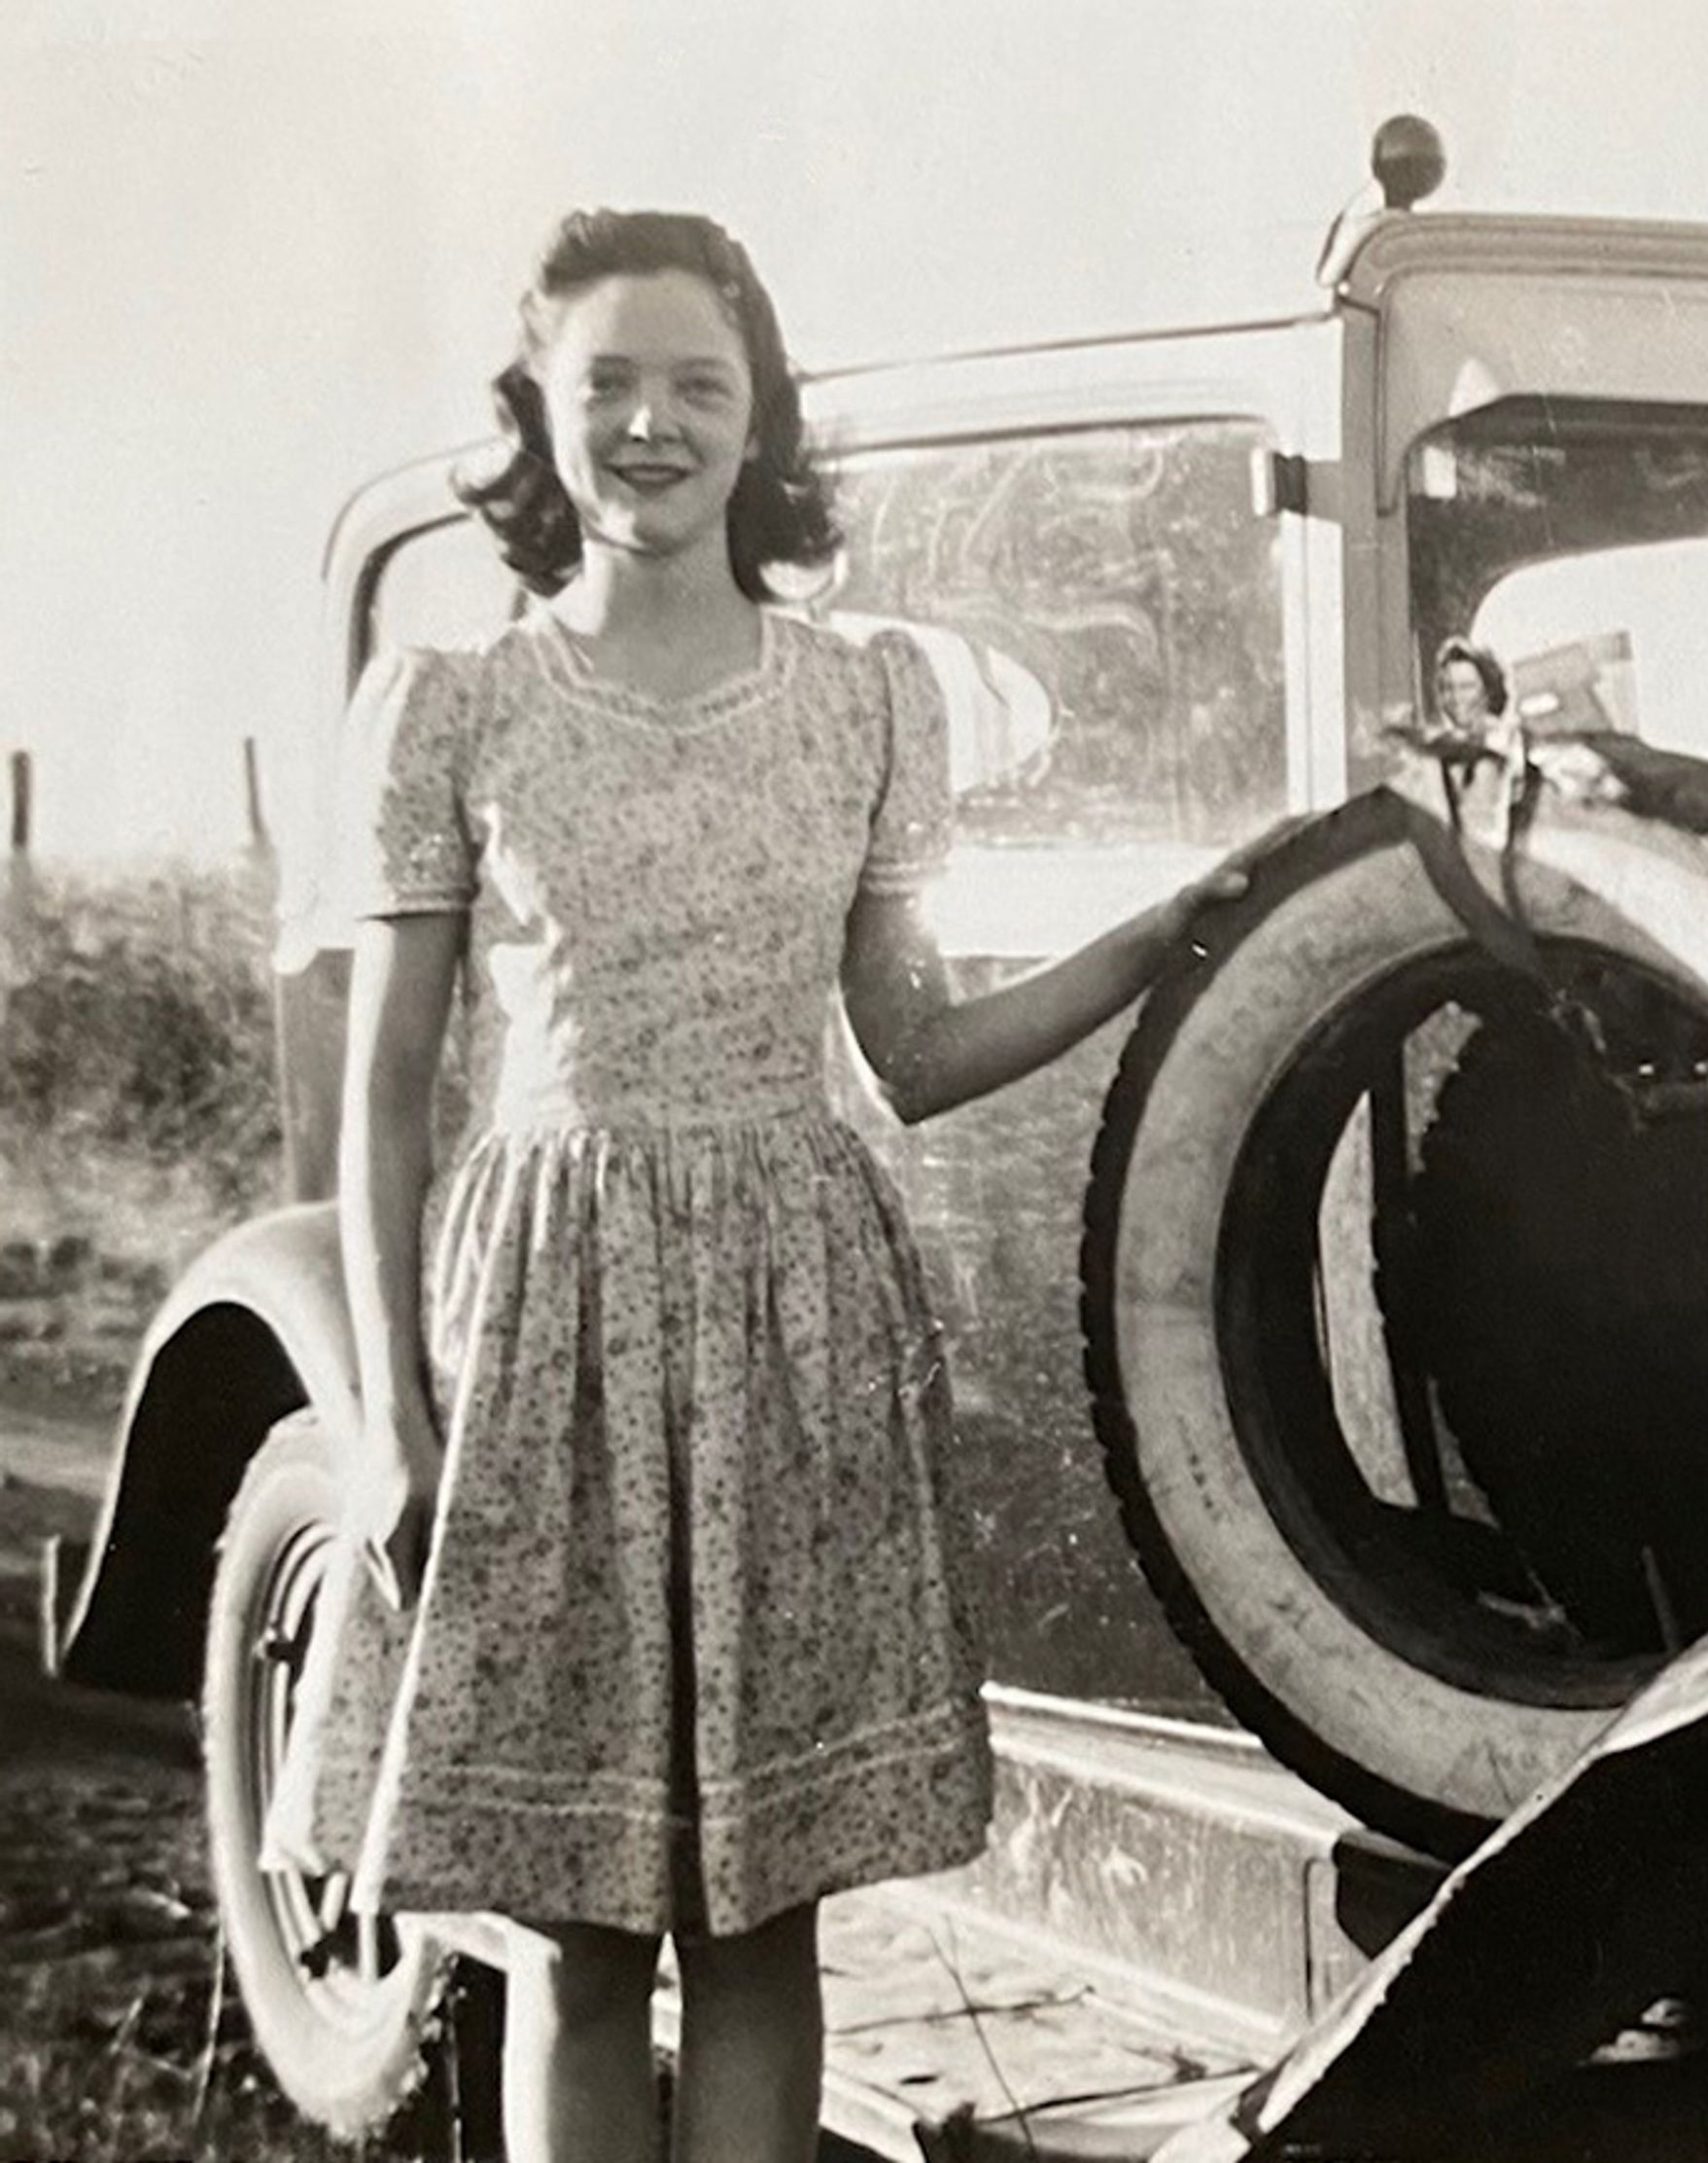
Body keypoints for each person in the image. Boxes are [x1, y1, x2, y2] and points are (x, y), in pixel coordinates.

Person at [281, 210, 1262, 2163]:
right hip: (542, 1324)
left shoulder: (864, 697)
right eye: (609, 386)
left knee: (763, 1910)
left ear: (758, 420)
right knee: (572, 1930)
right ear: (542, 419)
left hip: (795, 1321)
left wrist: (1173, 930)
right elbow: (388, 1090)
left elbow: (911, 1045)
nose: (653, 424)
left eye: (697, 386)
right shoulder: (453, 704)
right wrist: (386, 1409)